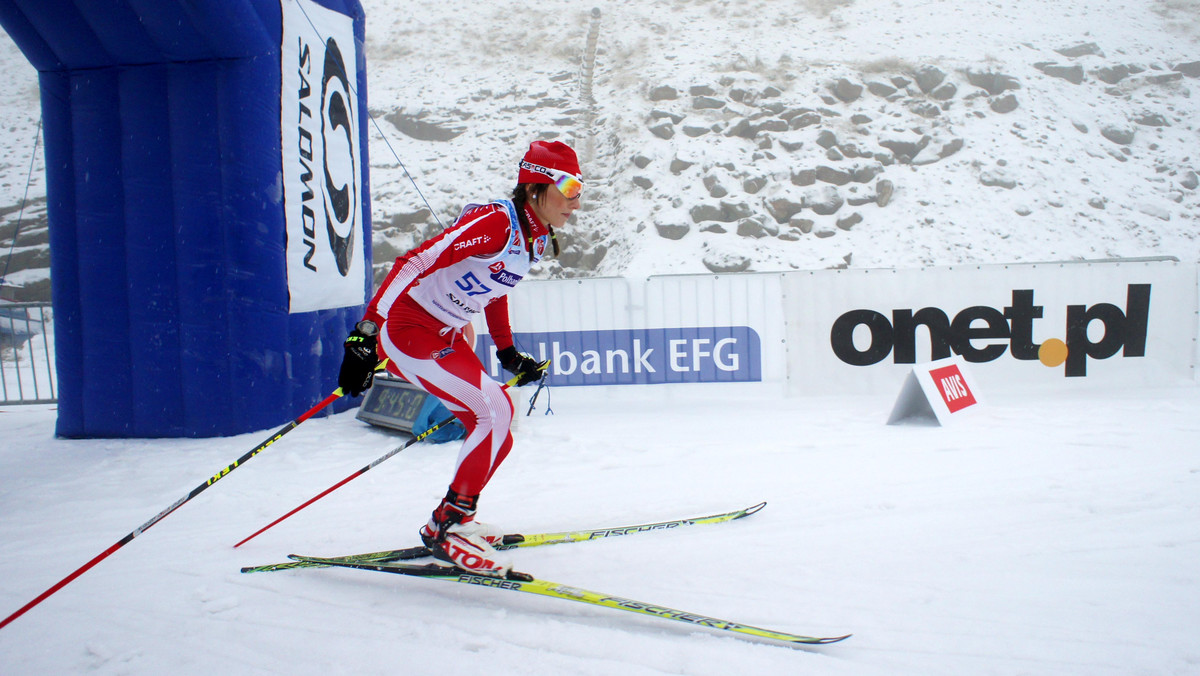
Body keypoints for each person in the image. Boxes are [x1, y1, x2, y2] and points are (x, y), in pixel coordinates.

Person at [336, 140, 583, 577]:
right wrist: (366, 334)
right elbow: (413, 263)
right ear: (534, 186)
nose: (575, 200)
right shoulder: (497, 222)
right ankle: (446, 528)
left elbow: (495, 290)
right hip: (408, 329)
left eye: (580, 188)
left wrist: (508, 353)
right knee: (494, 409)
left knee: (498, 427)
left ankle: (456, 520)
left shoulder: (536, 237)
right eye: (567, 186)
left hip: (444, 333)